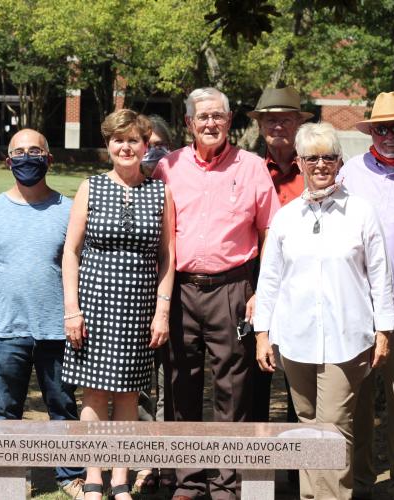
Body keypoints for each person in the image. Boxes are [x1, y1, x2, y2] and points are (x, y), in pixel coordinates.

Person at [254, 122, 394, 499]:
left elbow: (379, 276)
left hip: (347, 340)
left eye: (328, 157)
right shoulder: (285, 217)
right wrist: (262, 333)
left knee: (333, 427)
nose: (321, 165)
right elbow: (269, 280)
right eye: (312, 157)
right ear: (299, 163)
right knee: (306, 425)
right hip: (295, 339)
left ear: (339, 162)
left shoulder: (361, 212)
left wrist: (384, 330)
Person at [153, 87, 280, 500]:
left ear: (230, 122)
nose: (210, 124)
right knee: (180, 384)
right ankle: (187, 480)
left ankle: (227, 481)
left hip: (234, 287)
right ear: (188, 123)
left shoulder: (253, 168)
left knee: (233, 387)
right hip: (182, 290)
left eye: (218, 117)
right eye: (202, 117)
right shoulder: (168, 168)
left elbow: (270, 234)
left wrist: (261, 290)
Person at [0, 128, 86, 499]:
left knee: (63, 407)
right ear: (8, 161)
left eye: (35, 151)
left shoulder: (69, 210)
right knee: (5, 408)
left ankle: (70, 476)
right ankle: (12, 478)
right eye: (19, 151)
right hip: (5, 329)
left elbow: (78, 263)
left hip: (57, 329)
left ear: (49, 159)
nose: (27, 157)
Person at [62, 109, 175, 500]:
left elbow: (168, 256)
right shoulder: (90, 187)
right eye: (117, 140)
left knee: (129, 395)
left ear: (146, 146)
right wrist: (72, 310)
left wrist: (162, 311)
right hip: (94, 306)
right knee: (92, 394)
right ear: (108, 145)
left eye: (133, 140)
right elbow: (71, 252)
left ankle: (121, 479)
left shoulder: (160, 191)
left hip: (139, 308)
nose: (125, 147)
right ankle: (94, 478)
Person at [338, 91, 394, 500]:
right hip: (360, 305)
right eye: (383, 128)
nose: (391, 135)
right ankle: (360, 477)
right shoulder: (350, 173)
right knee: (356, 400)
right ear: (372, 131)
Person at [247, 86, 312, 450]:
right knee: (256, 377)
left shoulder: (317, 168)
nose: (277, 126)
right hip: (256, 282)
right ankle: (257, 461)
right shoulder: (250, 169)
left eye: (285, 119)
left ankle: (296, 466)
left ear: (298, 124)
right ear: (260, 126)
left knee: (299, 383)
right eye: (270, 119)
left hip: (303, 286)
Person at [137, 114, 175, 493]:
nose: (151, 152)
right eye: (144, 144)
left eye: (159, 145)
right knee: (143, 388)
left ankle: (169, 464)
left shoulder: (176, 186)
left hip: (174, 303)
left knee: (171, 384)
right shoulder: (124, 187)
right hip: (131, 306)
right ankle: (147, 463)